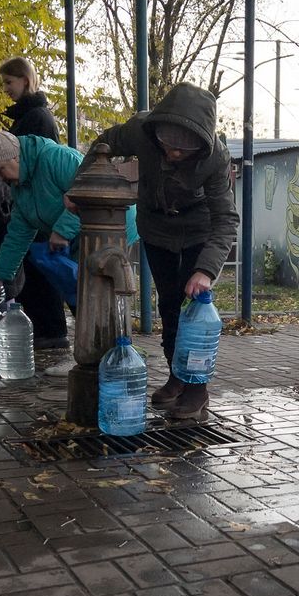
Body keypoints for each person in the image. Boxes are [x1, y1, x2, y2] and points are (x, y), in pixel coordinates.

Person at [78, 82, 239, 419]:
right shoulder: (140, 129)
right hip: (156, 228)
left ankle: (197, 389)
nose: (173, 153)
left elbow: (226, 219)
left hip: (198, 230)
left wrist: (205, 270)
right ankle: (177, 377)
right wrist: (82, 185)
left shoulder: (216, 157)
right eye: (167, 143)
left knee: (193, 309)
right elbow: (103, 144)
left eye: (183, 149)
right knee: (168, 304)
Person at [0, 56, 68, 348]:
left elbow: (39, 165)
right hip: (34, 206)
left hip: (40, 207)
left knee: (40, 268)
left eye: (9, 82)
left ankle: (51, 330)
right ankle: (46, 328)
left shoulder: (36, 119)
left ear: (25, 80)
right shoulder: (29, 117)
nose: (6, 89)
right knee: (33, 265)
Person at [0, 131, 82, 305]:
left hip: (111, 227)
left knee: (92, 294)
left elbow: (85, 194)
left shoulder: (56, 158)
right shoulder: (21, 189)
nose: (0, 178)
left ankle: (108, 331)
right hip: (77, 235)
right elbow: (17, 237)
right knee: (79, 297)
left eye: (0, 169)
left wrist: (62, 232)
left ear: (16, 157)